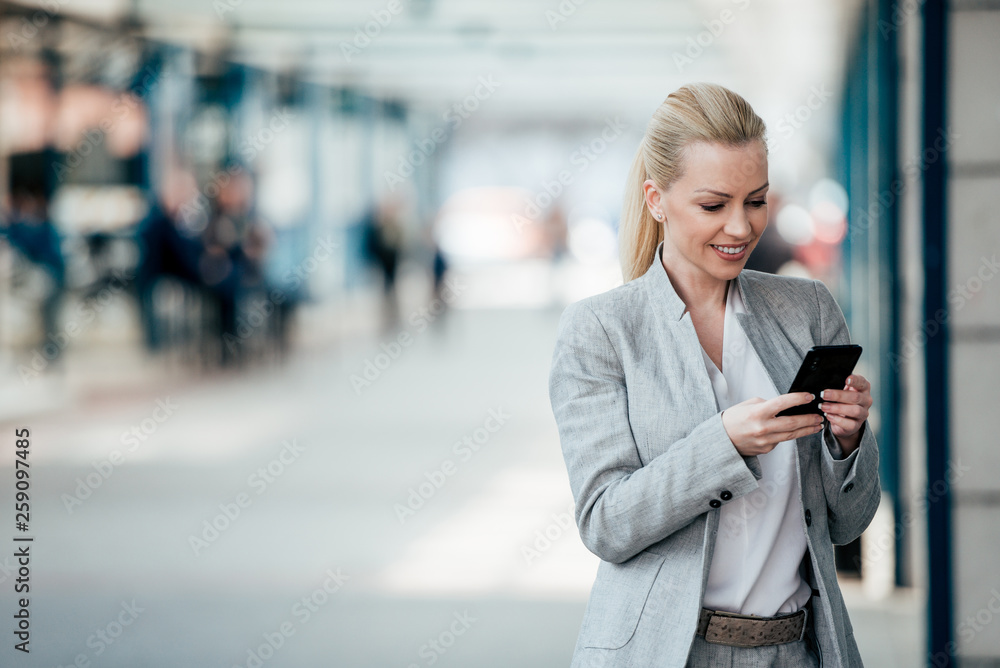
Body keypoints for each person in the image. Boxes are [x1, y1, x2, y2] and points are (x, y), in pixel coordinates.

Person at [548, 83, 880, 668]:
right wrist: (723, 446)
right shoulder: (601, 331)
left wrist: (848, 442)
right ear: (656, 199)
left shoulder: (807, 310)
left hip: (797, 650)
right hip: (666, 652)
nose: (740, 228)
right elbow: (605, 523)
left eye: (756, 201)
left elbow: (849, 524)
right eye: (713, 205)